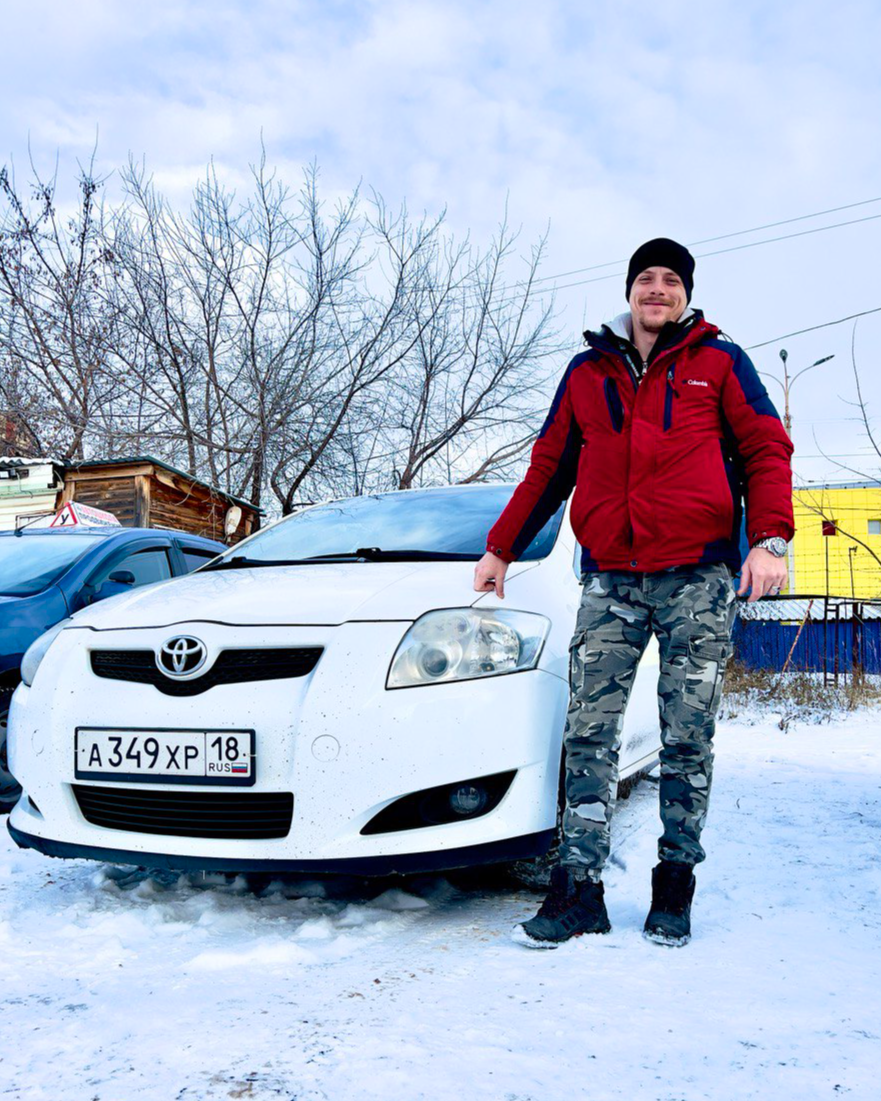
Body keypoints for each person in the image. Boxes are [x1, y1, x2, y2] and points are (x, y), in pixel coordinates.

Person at [473, 238, 794, 948]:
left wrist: (769, 539)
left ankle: (673, 884)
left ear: (685, 295)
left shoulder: (718, 362)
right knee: (588, 729)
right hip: (611, 576)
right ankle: (577, 888)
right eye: (645, 278)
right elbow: (549, 466)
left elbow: (767, 447)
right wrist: (499, 546)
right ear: (628, 291)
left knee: (686, 735)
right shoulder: (587, 372)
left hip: (698, 577)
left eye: (670, 280)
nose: (656, 289)